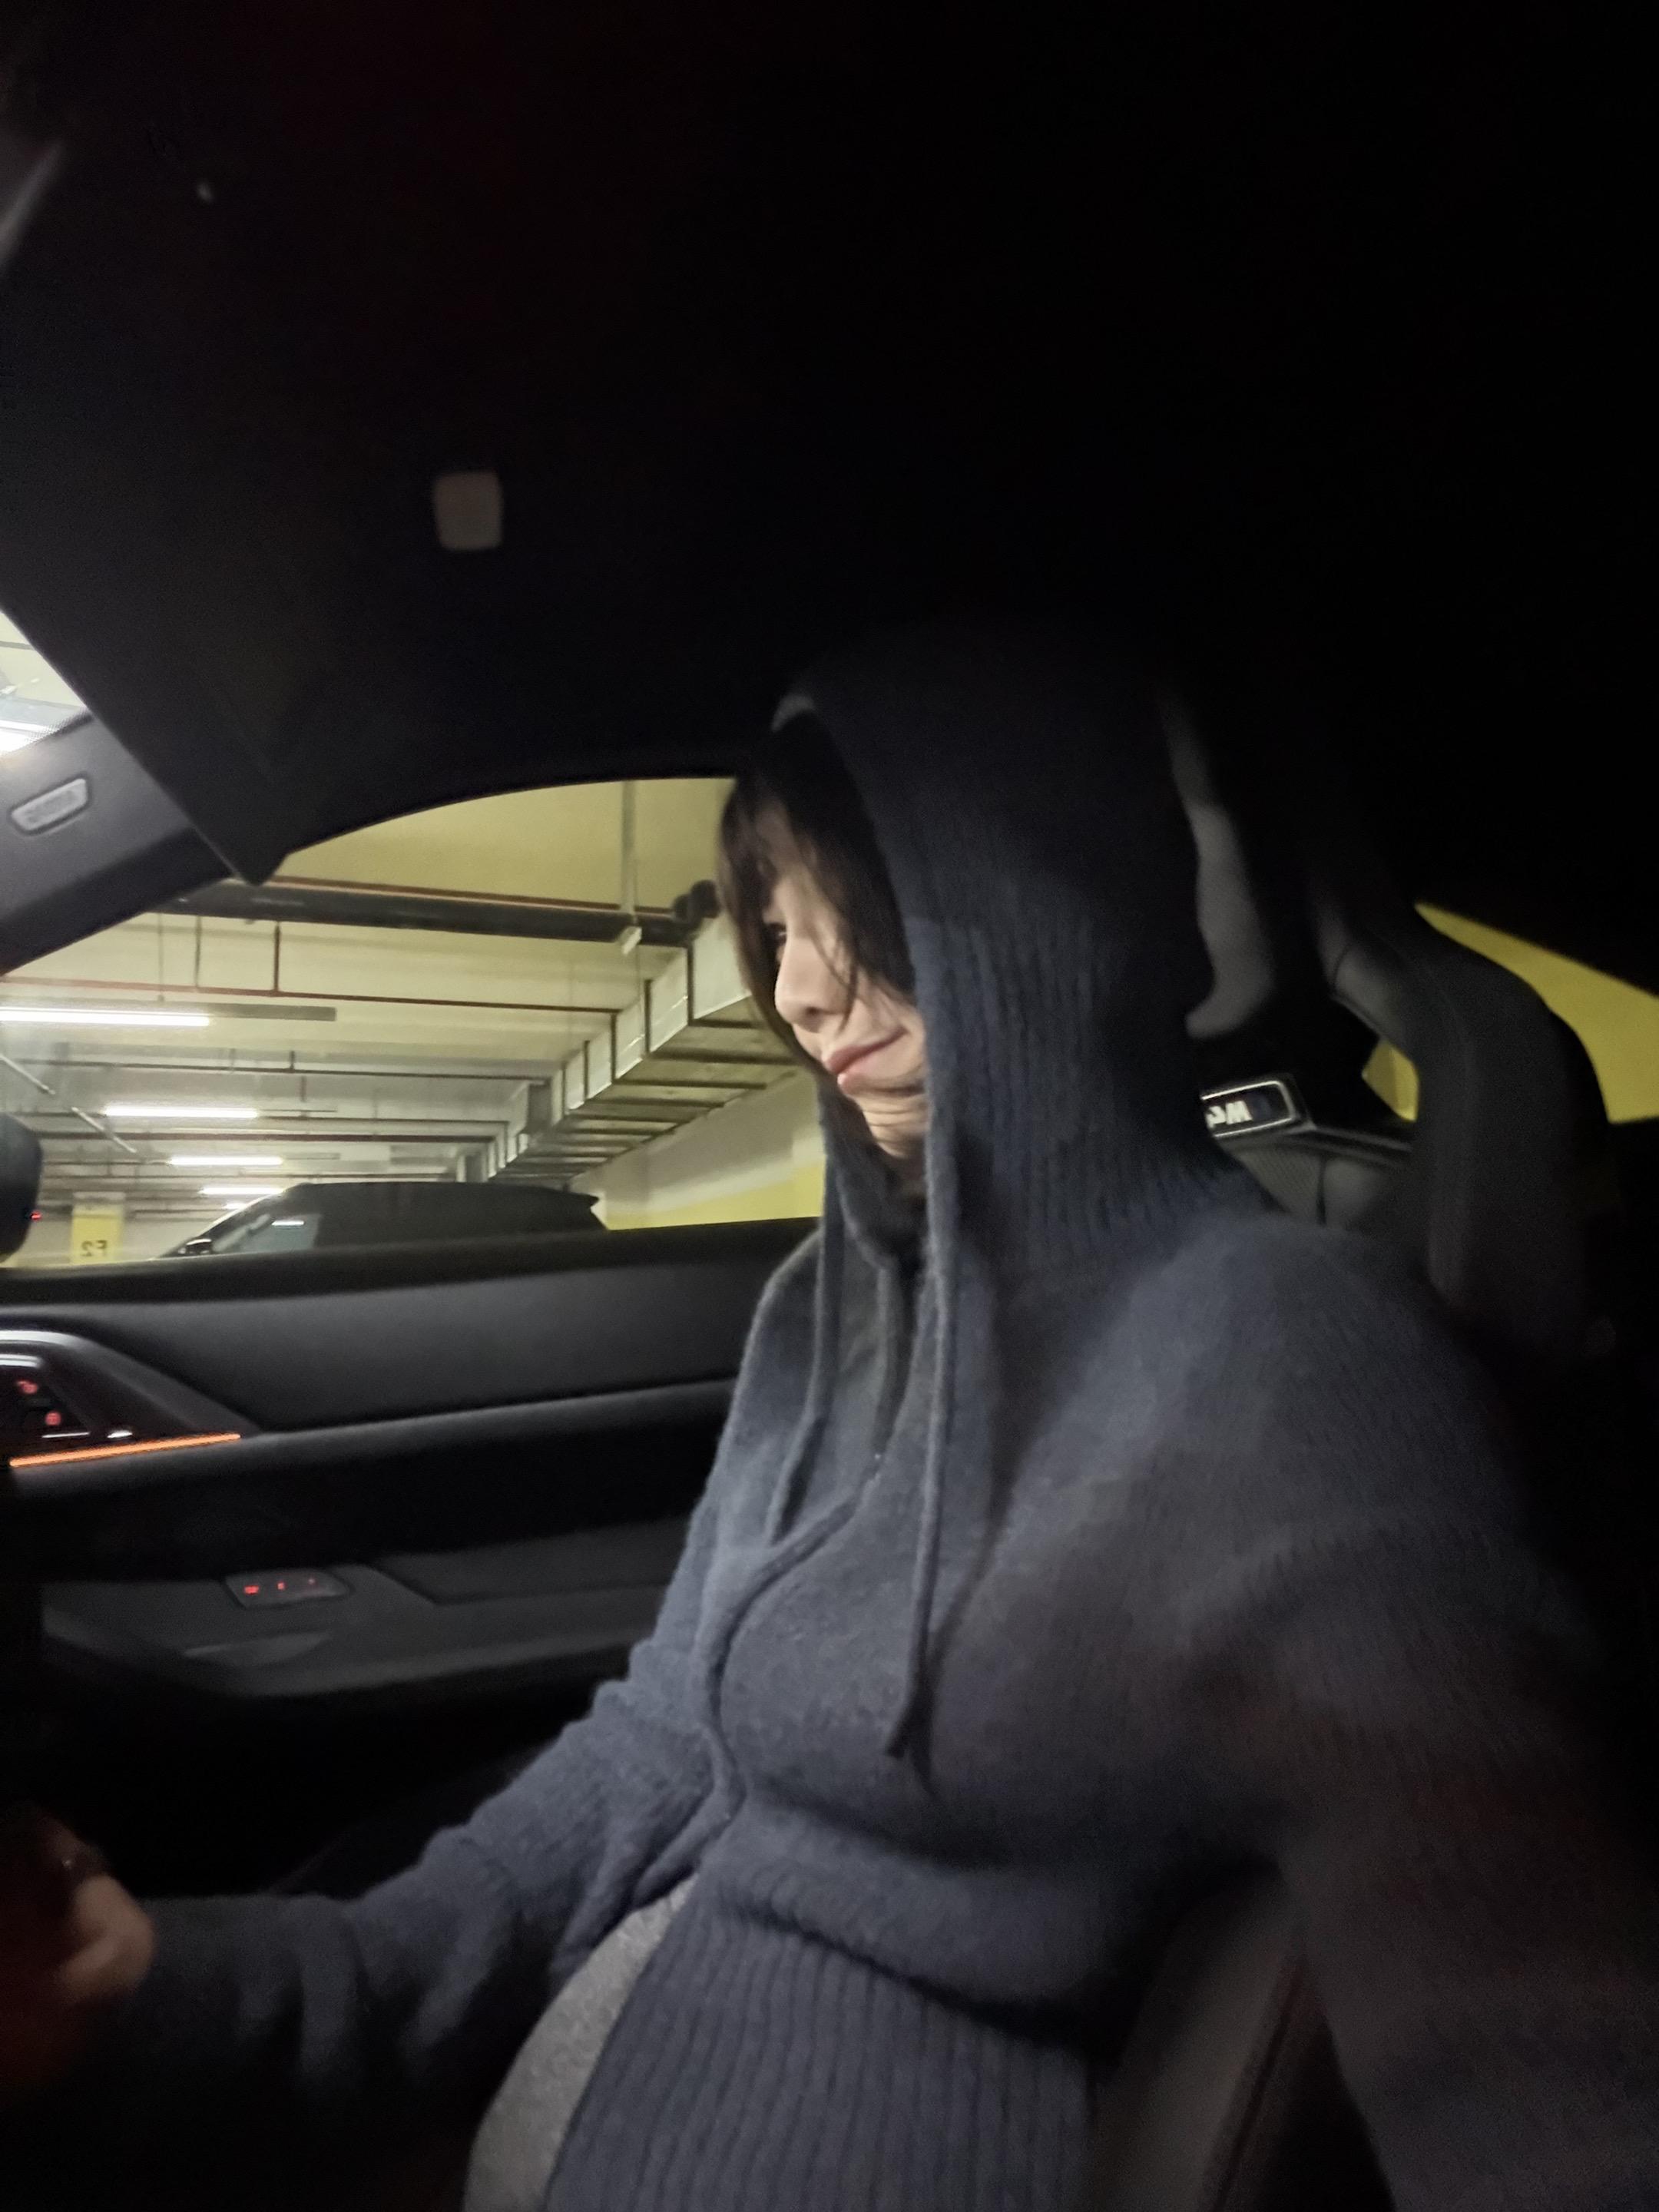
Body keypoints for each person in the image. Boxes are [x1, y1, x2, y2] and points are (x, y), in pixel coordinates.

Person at [2, 625, 1657, 2212]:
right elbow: (659, 1749)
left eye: (851, 907)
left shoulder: (1287, 1364)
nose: (797, 988)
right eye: (773, 926)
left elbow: (1526, 2047)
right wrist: (201, 1992)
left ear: (1040, 898)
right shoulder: (834, 1309)